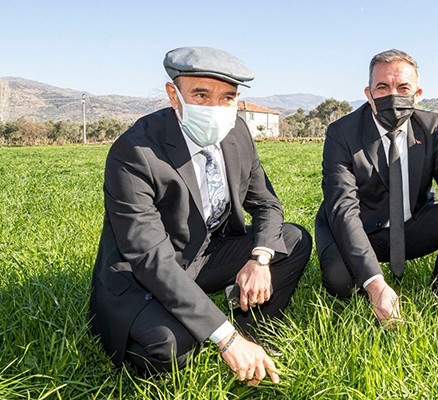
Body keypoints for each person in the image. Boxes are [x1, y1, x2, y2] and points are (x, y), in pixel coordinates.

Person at [89, 46, 312, 383]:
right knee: (172, 348)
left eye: (227, 97)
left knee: (292, 240)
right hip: (143, 273)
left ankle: (251, 334)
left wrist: (259, 259)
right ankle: (220, 334)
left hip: (205, 254)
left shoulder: (237, 133)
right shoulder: (134, 152)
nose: (215, 108)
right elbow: (149, 258)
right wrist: (225, 338)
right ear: (174, 95)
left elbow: (266, 204)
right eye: (201, 95)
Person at [315, 49, 438, 325]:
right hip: (357, 228)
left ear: (418, 94)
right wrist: (375, 284)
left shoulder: (431, 127)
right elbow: (344, 210)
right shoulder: (342, 133)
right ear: (369, 94)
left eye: (403, 88)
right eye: (382, 87)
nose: (393, 95)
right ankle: (373, 285)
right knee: (339, 282)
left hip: (410, 223)